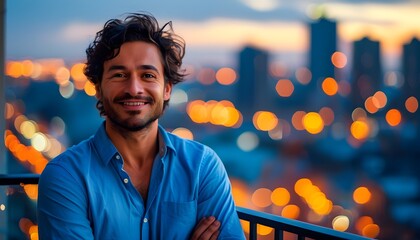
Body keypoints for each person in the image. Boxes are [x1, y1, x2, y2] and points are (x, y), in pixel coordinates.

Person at [37, 12, 245, 239]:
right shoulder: (66, 176)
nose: (134, 88)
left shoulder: (202, 167)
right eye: (119, 75)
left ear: (167, 89)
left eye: (147, 75)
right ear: (98, 88)